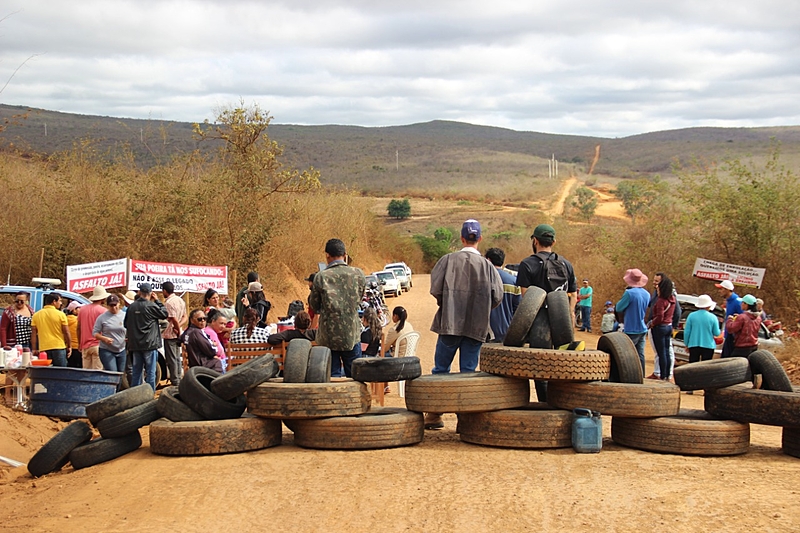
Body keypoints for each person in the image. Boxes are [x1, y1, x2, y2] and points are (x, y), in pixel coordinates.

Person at [426, 219, 503, 430]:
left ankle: (434, 416)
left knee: (441, 370)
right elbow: (497, 296)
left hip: (449, 324)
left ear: (461, 238)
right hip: (476, 328)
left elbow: (435, 288)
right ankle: (465, 421)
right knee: (468, 373)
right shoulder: (488, 266)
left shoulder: (448, 260)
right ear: (480, 239)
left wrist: (447, 304)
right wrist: (481, 310)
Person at [308, 238, 366, 378]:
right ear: (345, 254)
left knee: (332, 376)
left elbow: (314, 306)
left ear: (327, 255)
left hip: (328, 337)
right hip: (351, 335)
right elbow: (359, 298)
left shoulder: (321, 277)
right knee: (355, 376)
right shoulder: (358, 274)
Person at [124, 283, 168, 392]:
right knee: (150, 372)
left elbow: (126, 324)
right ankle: (149, 395)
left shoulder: (131, 307)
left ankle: (134, 395)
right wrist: (157, 300)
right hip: (149, 344)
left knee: (136, 372)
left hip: (135, 345)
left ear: (139, 292)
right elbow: (164, 314)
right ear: (150, 293)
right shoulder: (151, 305)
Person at [615, 268, 650, 374]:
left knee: (627, 354)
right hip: (642, 328)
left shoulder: (629, 293)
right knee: (640, 354)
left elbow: (619, 308)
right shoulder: (647, 294)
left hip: (631, 328)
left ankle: (628, 375)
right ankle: (641, 375)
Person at [484, 247, 521, 343]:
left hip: (485, 333)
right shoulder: (514, 281)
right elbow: (518, 309)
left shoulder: (482, 280)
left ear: (488, 260)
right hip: (506, 333)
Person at [649, 275, 677, 382]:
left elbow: (659, 317)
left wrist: (652, 323)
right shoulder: (672, 300)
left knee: (661, 353)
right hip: (668, 326)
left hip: (660, 327)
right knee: (666, 352)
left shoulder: (661, 301)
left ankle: (662, 374)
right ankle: (667, 375)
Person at [31, 293, 71, 367]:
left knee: (46, 372)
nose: (61, 303)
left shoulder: (36, 315)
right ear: (54, 302)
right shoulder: (61, 314)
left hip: (43, 349)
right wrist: (69, 346)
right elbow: (66, 332)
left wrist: (34, 349)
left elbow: (33, 334)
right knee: (61, 372)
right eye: (60, 301)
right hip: (59, 347)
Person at [161, 281, 187, 387]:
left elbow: (174, 319)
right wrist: (179, 328)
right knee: (176, 357)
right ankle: (178, 378)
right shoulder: (180, 300)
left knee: (172, 358)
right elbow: (185, 317)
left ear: (164, 291)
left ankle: (175, 380)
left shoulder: (169, 303)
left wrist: (176, 328)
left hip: (171, 334)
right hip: (178, 332)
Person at [78, 285, 111, 370]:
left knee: (86, 372)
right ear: (103, 299)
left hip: (85, 345)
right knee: (97, 372)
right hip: (98, 345)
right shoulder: (103, 311)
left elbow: (78, 328)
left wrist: (79, 343)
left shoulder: (82, 309)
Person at [93, 294, 127, 373]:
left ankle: (117, 386)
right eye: (111, 306)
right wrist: (104, 339)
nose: (114, 308)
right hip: (107, 350)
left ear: (119, 303)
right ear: (107, 306)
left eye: (115, 305)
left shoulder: (124, 316)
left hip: (121, 349)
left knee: (120, 374)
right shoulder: (102, 317)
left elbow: (130, 328)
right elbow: (95, 333)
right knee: (113, 373)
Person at [683, 294, 720, 363]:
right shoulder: (713, 317)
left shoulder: (691, 316)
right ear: (709, 306)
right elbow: (716, 333)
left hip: (693, 344)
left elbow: (687, 332)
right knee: (705, 367)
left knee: (693, 366)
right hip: (708, 345)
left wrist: (686, 344)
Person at [715, 279, 742, 359]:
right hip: (728, 334)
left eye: (721, 289)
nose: (719, 291)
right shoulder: (728, 302)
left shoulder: (738, 302)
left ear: (727, 290)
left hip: (734, 337)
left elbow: (743, 319)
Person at [204, 308, 228, 373]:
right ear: (213, 321)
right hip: (217, 365)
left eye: (225, 324)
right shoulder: (210, 332)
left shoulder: (211, 331)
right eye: (221, 323)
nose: (223, 326)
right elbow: (217, 351)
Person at [64, 300, 83, 367]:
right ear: (74, 310)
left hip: (67, 347)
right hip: (78, 347)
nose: (81, 310)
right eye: (79, 308)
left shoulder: (65, 319)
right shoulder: (78, 320)